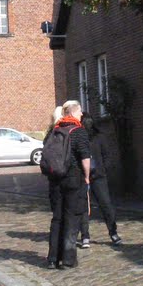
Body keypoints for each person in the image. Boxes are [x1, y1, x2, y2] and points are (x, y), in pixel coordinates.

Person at [46, 99, 90, 270]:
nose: (81, 115)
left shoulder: (55, 131)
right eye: (80, 112)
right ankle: (68, 259)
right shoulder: (79, 131)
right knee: (72, 218)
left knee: (57, 218)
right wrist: (87, 177)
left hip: (56, 180)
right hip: (73, 179)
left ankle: (52, 259)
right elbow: (85, 158)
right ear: (73, 113)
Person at [77, 114, 122, 247]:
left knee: (106, 204)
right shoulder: (79, 138)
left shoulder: (99, 138)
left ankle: (113, 232)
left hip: (98, 177)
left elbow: (107, 155)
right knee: (84, 206)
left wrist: (102, 169)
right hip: (82, 177)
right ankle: (85, 235)